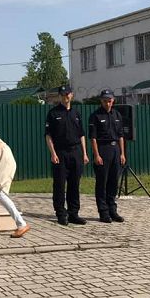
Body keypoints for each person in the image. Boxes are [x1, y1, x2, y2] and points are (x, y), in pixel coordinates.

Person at [45, 85, 89, 226]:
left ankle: (73, 214)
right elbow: (48, 136)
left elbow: (81, 134)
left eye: (68, 94)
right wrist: (53, 153)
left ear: (72, 95)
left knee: (74, 184)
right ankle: (61, 214)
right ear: (60, 96)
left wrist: (85, 153)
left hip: (76, 152)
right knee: (59, 185)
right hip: (60, 153)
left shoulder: (76, 113)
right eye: (63, 94)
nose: (66, 97)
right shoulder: (53, 113)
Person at [88, 89, 126, 223]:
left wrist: (122, 153)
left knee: (113, 182)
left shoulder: (117, 115)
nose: (107, 103)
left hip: (115, 149)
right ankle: (103, 212)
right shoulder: (95, 116)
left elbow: (121, 135)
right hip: (102, 149)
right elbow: (92, 138)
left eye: (109, 101)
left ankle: (112, 210)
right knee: (102, 183)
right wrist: (96, 155)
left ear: (113, 101)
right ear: (101, 101)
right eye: (105, 101)